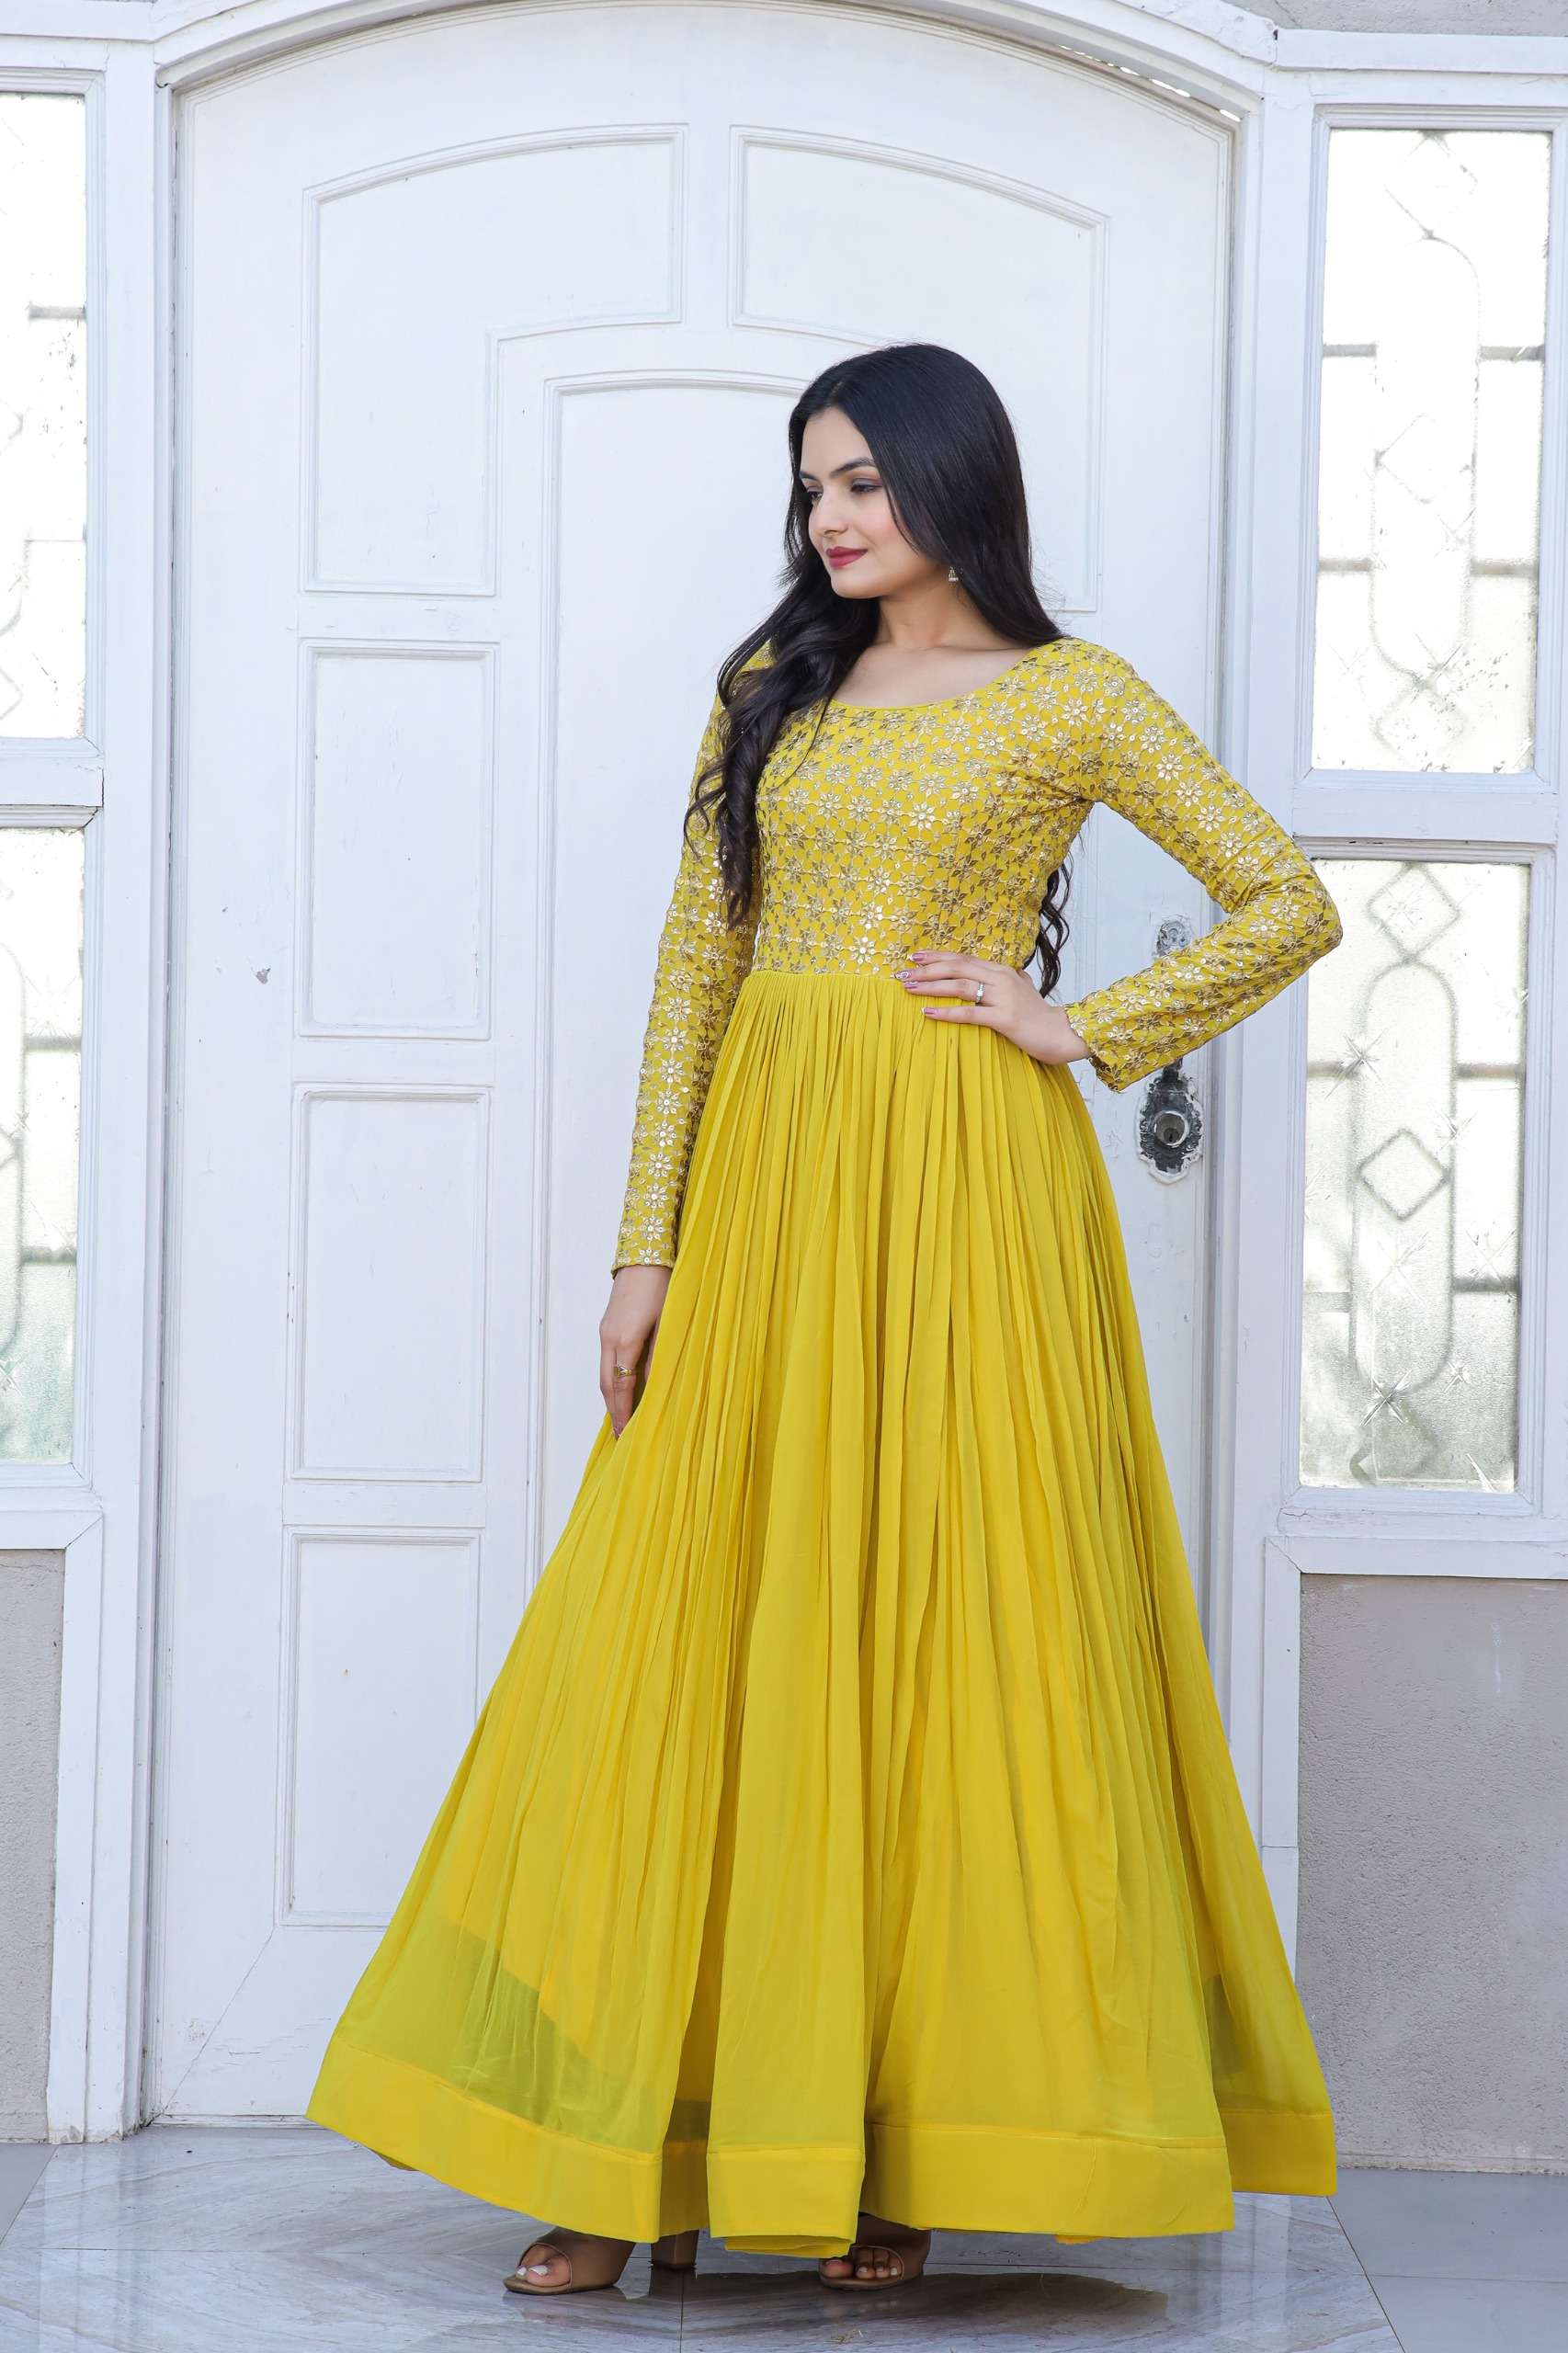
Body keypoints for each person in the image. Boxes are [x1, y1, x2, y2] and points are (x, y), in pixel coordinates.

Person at [305, 340, 1341, 2297]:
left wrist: (1081, 1024)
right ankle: (636, 2148)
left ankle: (894, 2142)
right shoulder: (768, 693)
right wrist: (643, 1248)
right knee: (691, 1630)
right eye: (811, 488)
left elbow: (1282, 897)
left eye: (862, 478)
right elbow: (697, 970)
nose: (830, 517)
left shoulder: (1070, 696)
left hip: (969, 1199)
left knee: (944, 1631)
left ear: (955, 480)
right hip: (767, 1200)